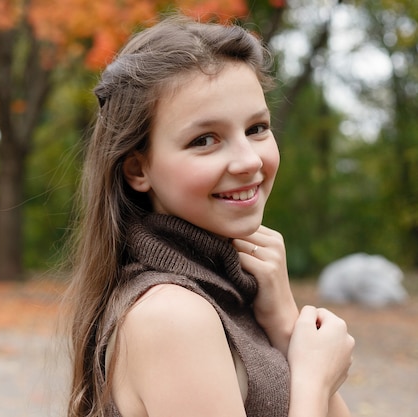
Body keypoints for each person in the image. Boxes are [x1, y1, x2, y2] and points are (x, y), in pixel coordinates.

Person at [63, 15, 355, 417]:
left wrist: (286, 325)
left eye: (257, 128)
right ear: (138, 169)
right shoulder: (173, 315)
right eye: (205, 140)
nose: (249, 160)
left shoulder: (230, 288)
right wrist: (313, 379)